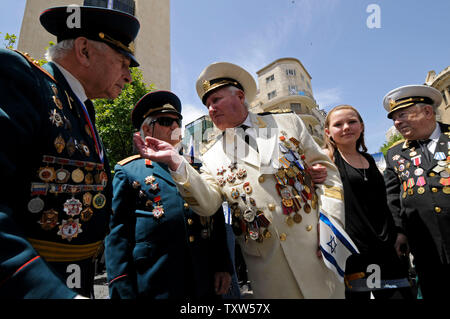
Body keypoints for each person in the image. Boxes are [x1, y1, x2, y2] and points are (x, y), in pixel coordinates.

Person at [134, 62, 346, 298]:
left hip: (315, 252)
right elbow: (207, 203)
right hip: (269, 270)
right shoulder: (212, 154)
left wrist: (331, 228)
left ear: (240, 96)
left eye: (216, 100)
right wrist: (176, 162)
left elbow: (328, 175)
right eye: (207, 105)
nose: (211, 109)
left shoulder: (287, 123)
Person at [0, 5, 140, 298]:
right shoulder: (23, 79)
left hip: (77, 276)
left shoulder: (80, 106)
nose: (128, 76)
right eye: (123, 62)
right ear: (85, 50)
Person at [105, 91, 233, 299]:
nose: (175, 127)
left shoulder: (198, 168)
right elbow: (118, 235)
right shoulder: (129, 170)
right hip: (156, 281)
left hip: (203, 279)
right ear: (147, 129)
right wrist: (121, 288)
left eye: (178, 122)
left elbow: (215, 217)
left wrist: (223, 265)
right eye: (165, 121)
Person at [323, 105, 413, 299]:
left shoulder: (369, 160)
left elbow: (384, 201)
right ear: (328, 132)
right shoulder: (325, 161)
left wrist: (398, 233)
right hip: (352, 254)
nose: (346, 127)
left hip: (386, 249)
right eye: (338, 124)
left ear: (362, 126)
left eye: (352, 121)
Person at [382, 85, 450, 299]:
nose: (397, 122)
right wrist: (399, 231)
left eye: (402, 115)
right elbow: (392, 198)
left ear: (428, 112)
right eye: (394, 118)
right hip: (425, 246)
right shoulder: (394, 154)